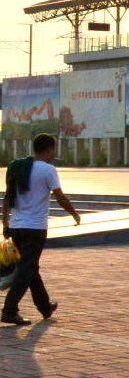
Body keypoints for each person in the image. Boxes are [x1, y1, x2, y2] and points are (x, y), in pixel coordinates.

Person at [2, 132, 81, 326]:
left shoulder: (18, 167)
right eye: (53, 149)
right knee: (27, 270)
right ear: (48, 149)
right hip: (35, 229)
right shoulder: (48, 170)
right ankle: (9, 310)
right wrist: (73, 213)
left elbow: (7, 197)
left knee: (31, 268)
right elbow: (60, 197)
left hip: (17, 227)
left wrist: (5, 221)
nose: (54, 153)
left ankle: (45, 306)